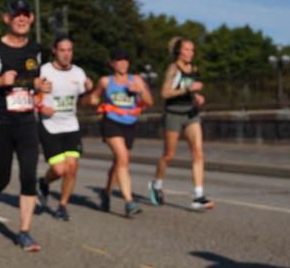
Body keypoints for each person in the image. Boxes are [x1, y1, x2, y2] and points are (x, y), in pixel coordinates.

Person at [0, 0, 44, 252]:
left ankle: (24, 232)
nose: (21, 19)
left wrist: (41, 89)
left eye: (25, 15)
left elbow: (38, 81)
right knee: (2, 177)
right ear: (7, 18)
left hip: (27, 120)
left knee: (28, 175)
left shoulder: (37, 49)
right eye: (17, 16)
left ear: (31, 18)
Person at [150, 37, 215, 210]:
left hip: (191, 114)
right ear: (179, 51)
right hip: (174, 115)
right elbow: (165, 93)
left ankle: (198, 196)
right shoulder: (173, 68)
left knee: (198, 153)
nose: (190, 53)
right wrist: (188, 90)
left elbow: (190, 91)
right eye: (187, 49)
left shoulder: (193, 68)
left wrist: (196, 97)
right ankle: (156, 184)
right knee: (169, 155)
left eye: (192, 50)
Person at [92, 48, 153, 217]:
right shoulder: (105, 81)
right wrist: (94, 101)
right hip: (110, 123)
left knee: (120, 162)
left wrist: (139, 91)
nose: (123, 63)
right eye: (119, 60)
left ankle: (106, 192)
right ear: (112, 63)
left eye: (125, 59)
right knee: (123, 159)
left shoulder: (137, 80)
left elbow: (149, 101)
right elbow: (94, 97)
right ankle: (129, 202)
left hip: (130, 124)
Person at [37, 35, 93, 221]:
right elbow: (30, 95)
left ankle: (62, 205)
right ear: (55, 51)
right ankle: (44, 182)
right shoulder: (44, 70)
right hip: (50, 125)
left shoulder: (79, 73)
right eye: (62, 50)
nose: (66, 54)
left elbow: (83, 101)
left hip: (71, 125)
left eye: (69, 50)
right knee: (60, 170)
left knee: (72, 168)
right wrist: (41, 107)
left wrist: (90, 93)